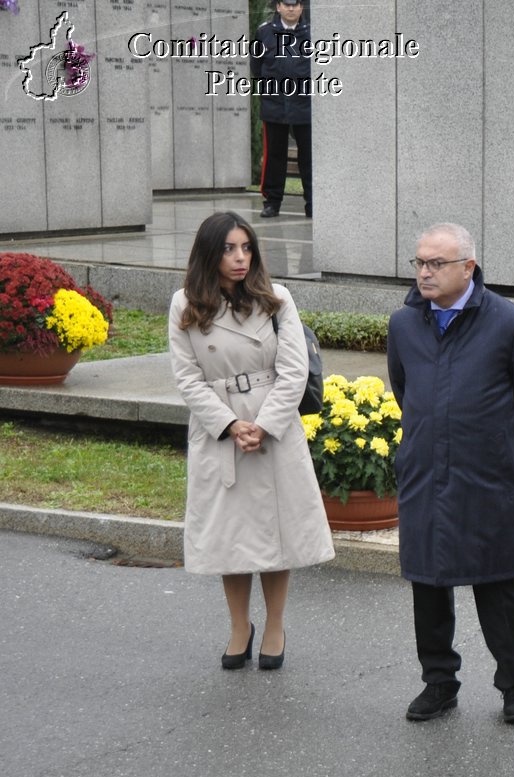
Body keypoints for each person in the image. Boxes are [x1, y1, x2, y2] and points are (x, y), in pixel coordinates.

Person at [387, 223, 514, 724]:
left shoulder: (512, 323)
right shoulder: (404, 324)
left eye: (436, 264)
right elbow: (404, 390)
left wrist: (501, 452)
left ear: (468, 268)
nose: (425, 273)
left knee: (497, 583)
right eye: (419, 262)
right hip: (425, 474)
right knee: (428, 582)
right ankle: (439, 682)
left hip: (488, 477)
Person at [168, 210, 334, 670]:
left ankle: (275, 624)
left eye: (246, 248)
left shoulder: (276, 298)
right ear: (209, 254)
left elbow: (295, 369)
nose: (240, 258)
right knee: (231, 536)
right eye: (228, 249)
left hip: (272, 426)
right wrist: (228, 424)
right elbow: (186, 377)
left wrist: (264, 424)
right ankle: (240, 626)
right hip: (220, 430)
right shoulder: (184, 304)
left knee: (275, 532)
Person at [251, 0, 312, 219]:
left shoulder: (312, 35)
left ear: (301, 8)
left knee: (309, 157)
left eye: (295, 4)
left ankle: (313, 203)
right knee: (274, 157)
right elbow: (256, 67)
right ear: (278, 7)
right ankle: (272, 202)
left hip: (305, 106)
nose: (291, 8)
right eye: (286, 4)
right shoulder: (264, 33)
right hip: (275, 104)